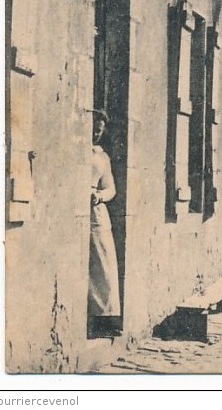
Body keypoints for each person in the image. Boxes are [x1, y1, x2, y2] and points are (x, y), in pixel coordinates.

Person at [88, 110, 121, 337]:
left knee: (103, 266)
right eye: (93, 128)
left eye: (99, 130)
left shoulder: (102, 157)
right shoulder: (76, 150)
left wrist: (99, 196)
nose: (95, 134)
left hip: (95, 213)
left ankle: (104, 319)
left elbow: (110, 188)